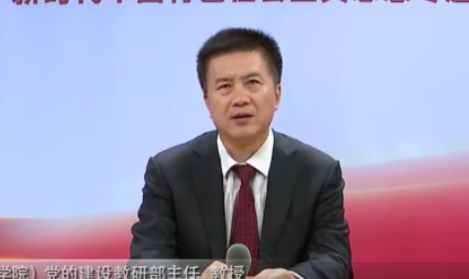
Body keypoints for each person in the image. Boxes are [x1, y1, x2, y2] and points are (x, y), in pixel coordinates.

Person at [130, 28, 353, 279]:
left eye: (252, 83)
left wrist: (293, 278)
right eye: (225, 86)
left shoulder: (318, 173)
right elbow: (144, 263)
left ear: (277, 95)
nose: (240, 99)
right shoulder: (169, 173)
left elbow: (335, 262)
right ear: (207, 102)